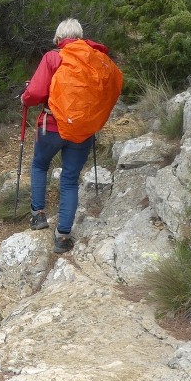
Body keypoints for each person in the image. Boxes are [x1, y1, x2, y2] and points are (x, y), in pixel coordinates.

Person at [21, 18, 120, 254]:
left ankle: (39, 216)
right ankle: (63, 237)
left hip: (52, 126)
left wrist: (25, 97)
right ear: (81, 37)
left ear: (58, 39)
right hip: (83, 130)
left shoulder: (54, 57)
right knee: (69, 179)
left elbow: (35, 93)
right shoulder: (97, 59)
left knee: (39, 165)